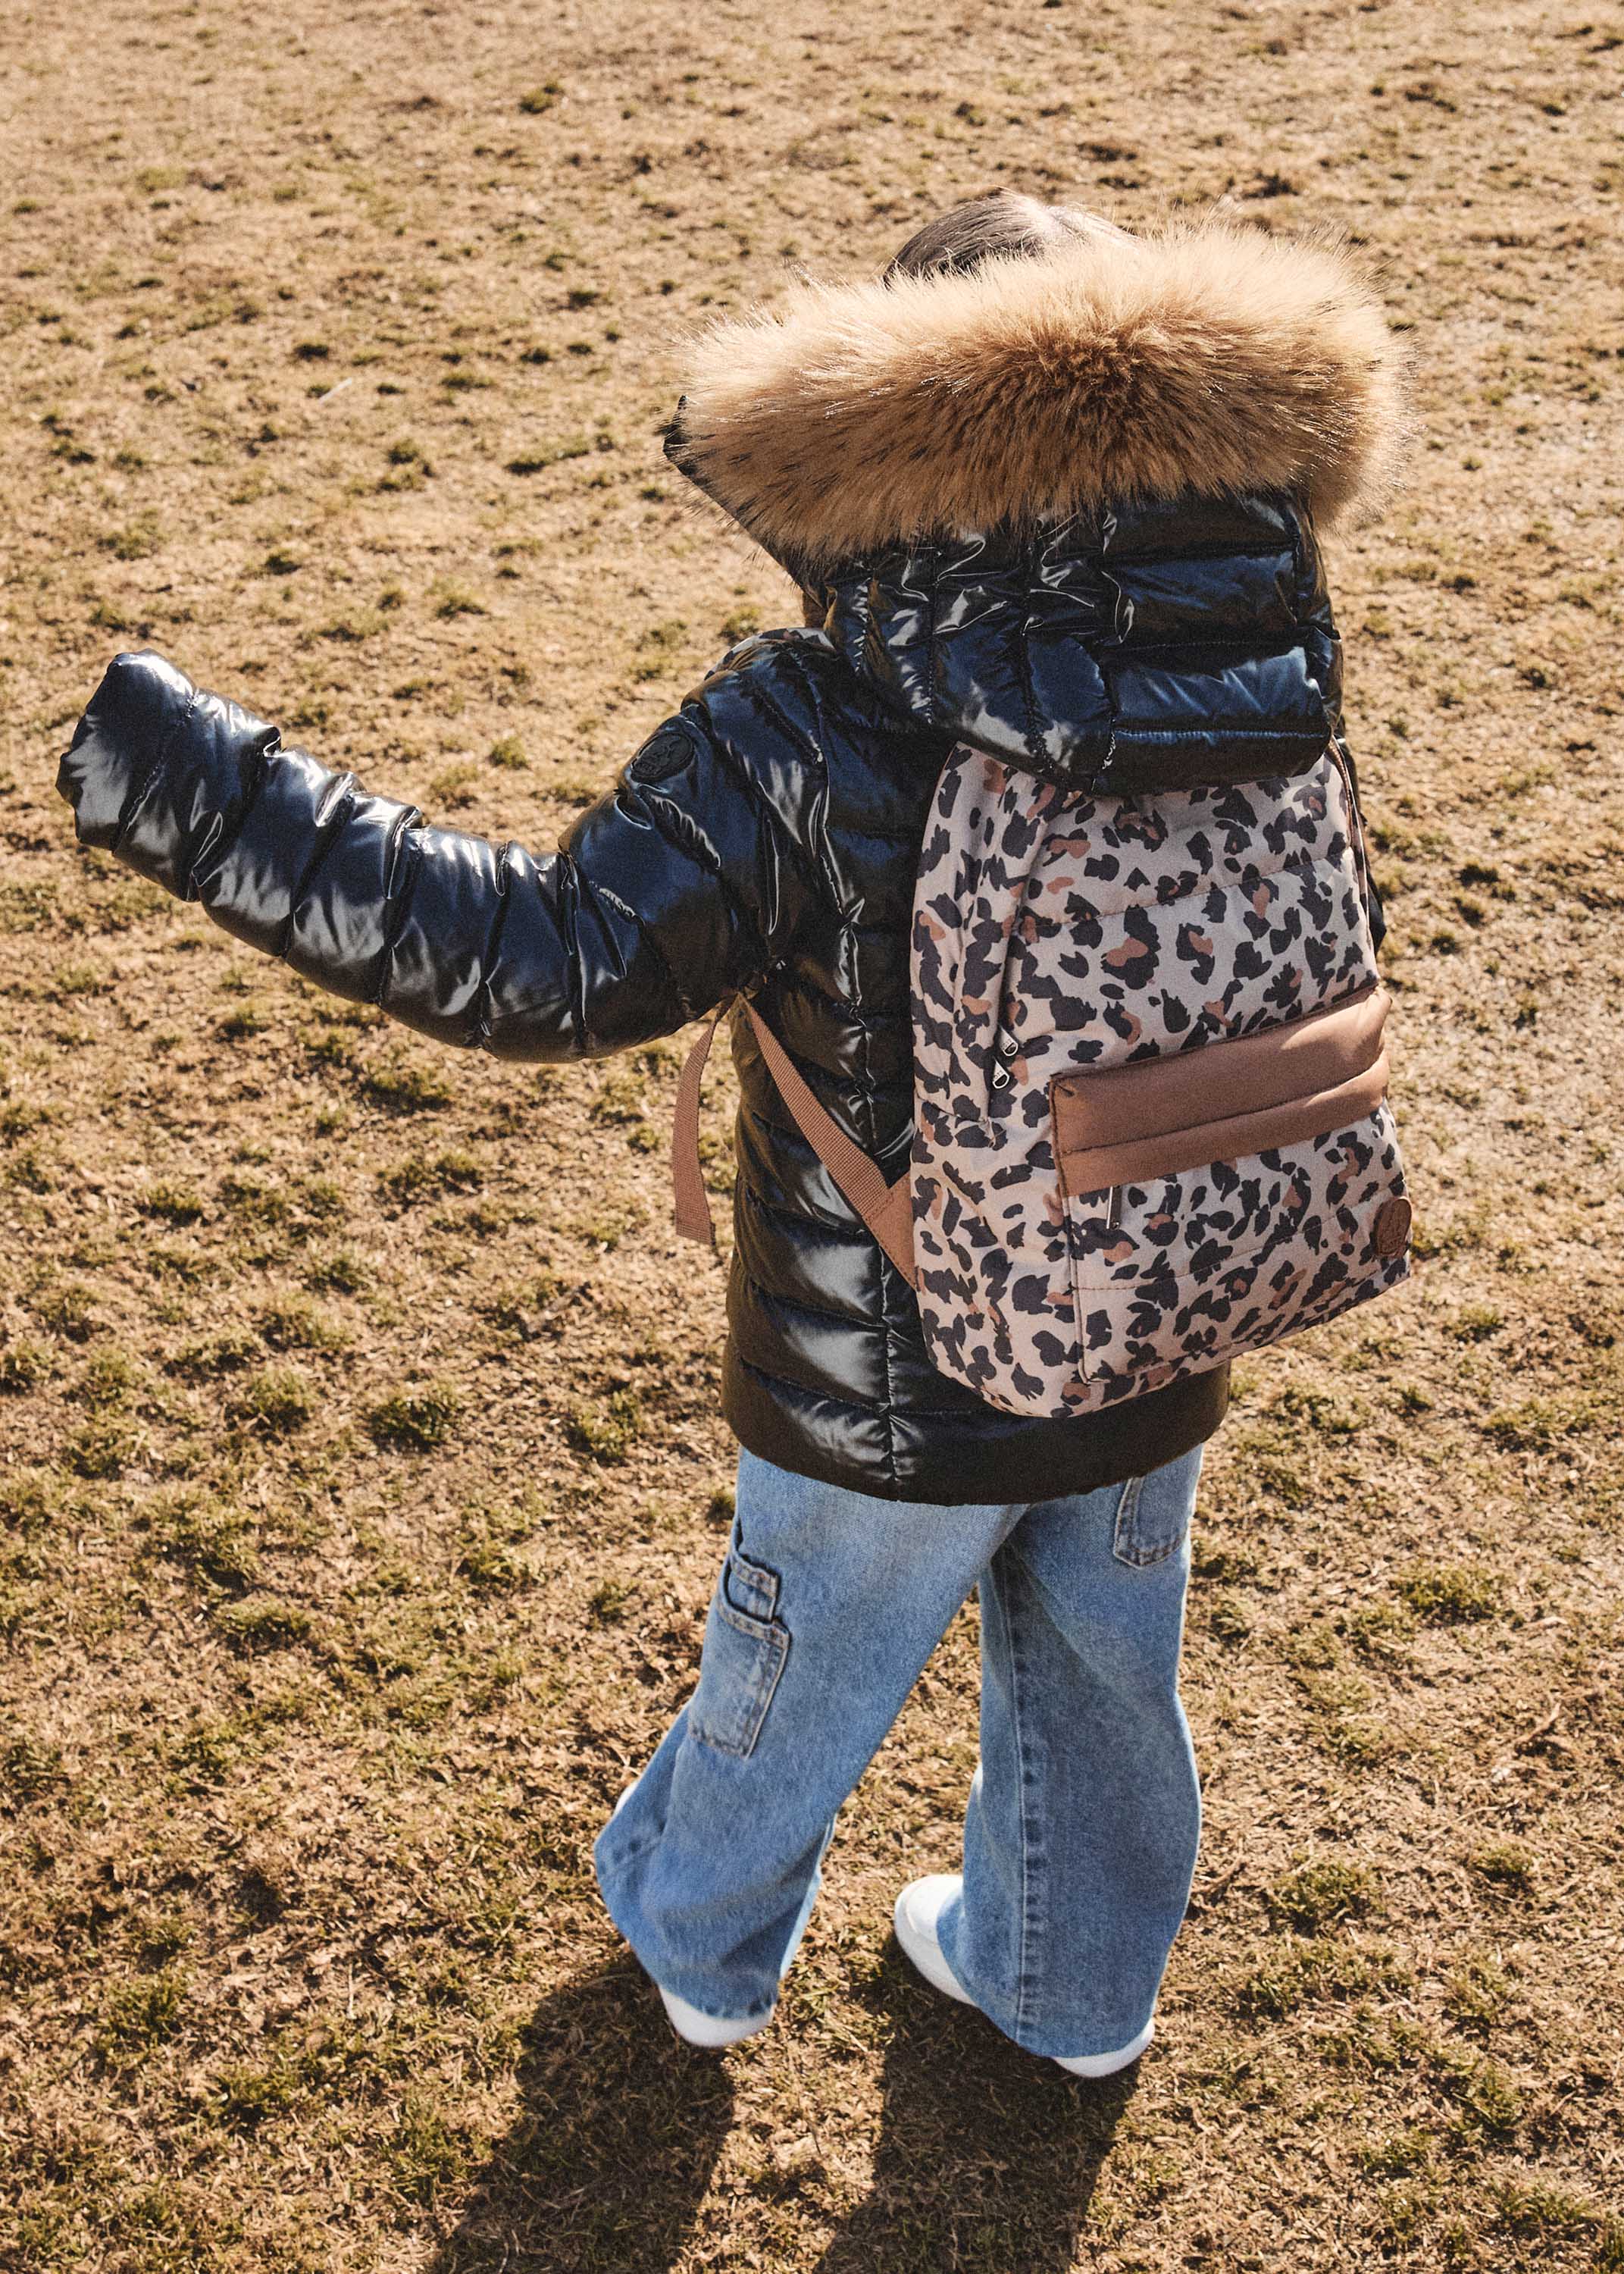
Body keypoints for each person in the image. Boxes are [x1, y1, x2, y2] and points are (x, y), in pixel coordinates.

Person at [59, 190, 1401, 2076]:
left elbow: (542, 961)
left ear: (876, 425)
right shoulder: (1260, 662)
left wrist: (202, 792)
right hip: (1170, 1301)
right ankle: (1073, 1988)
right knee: (1105, 1688)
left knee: (792, 1670)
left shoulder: (814, 715)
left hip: (889, 1361)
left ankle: (700, 1949)